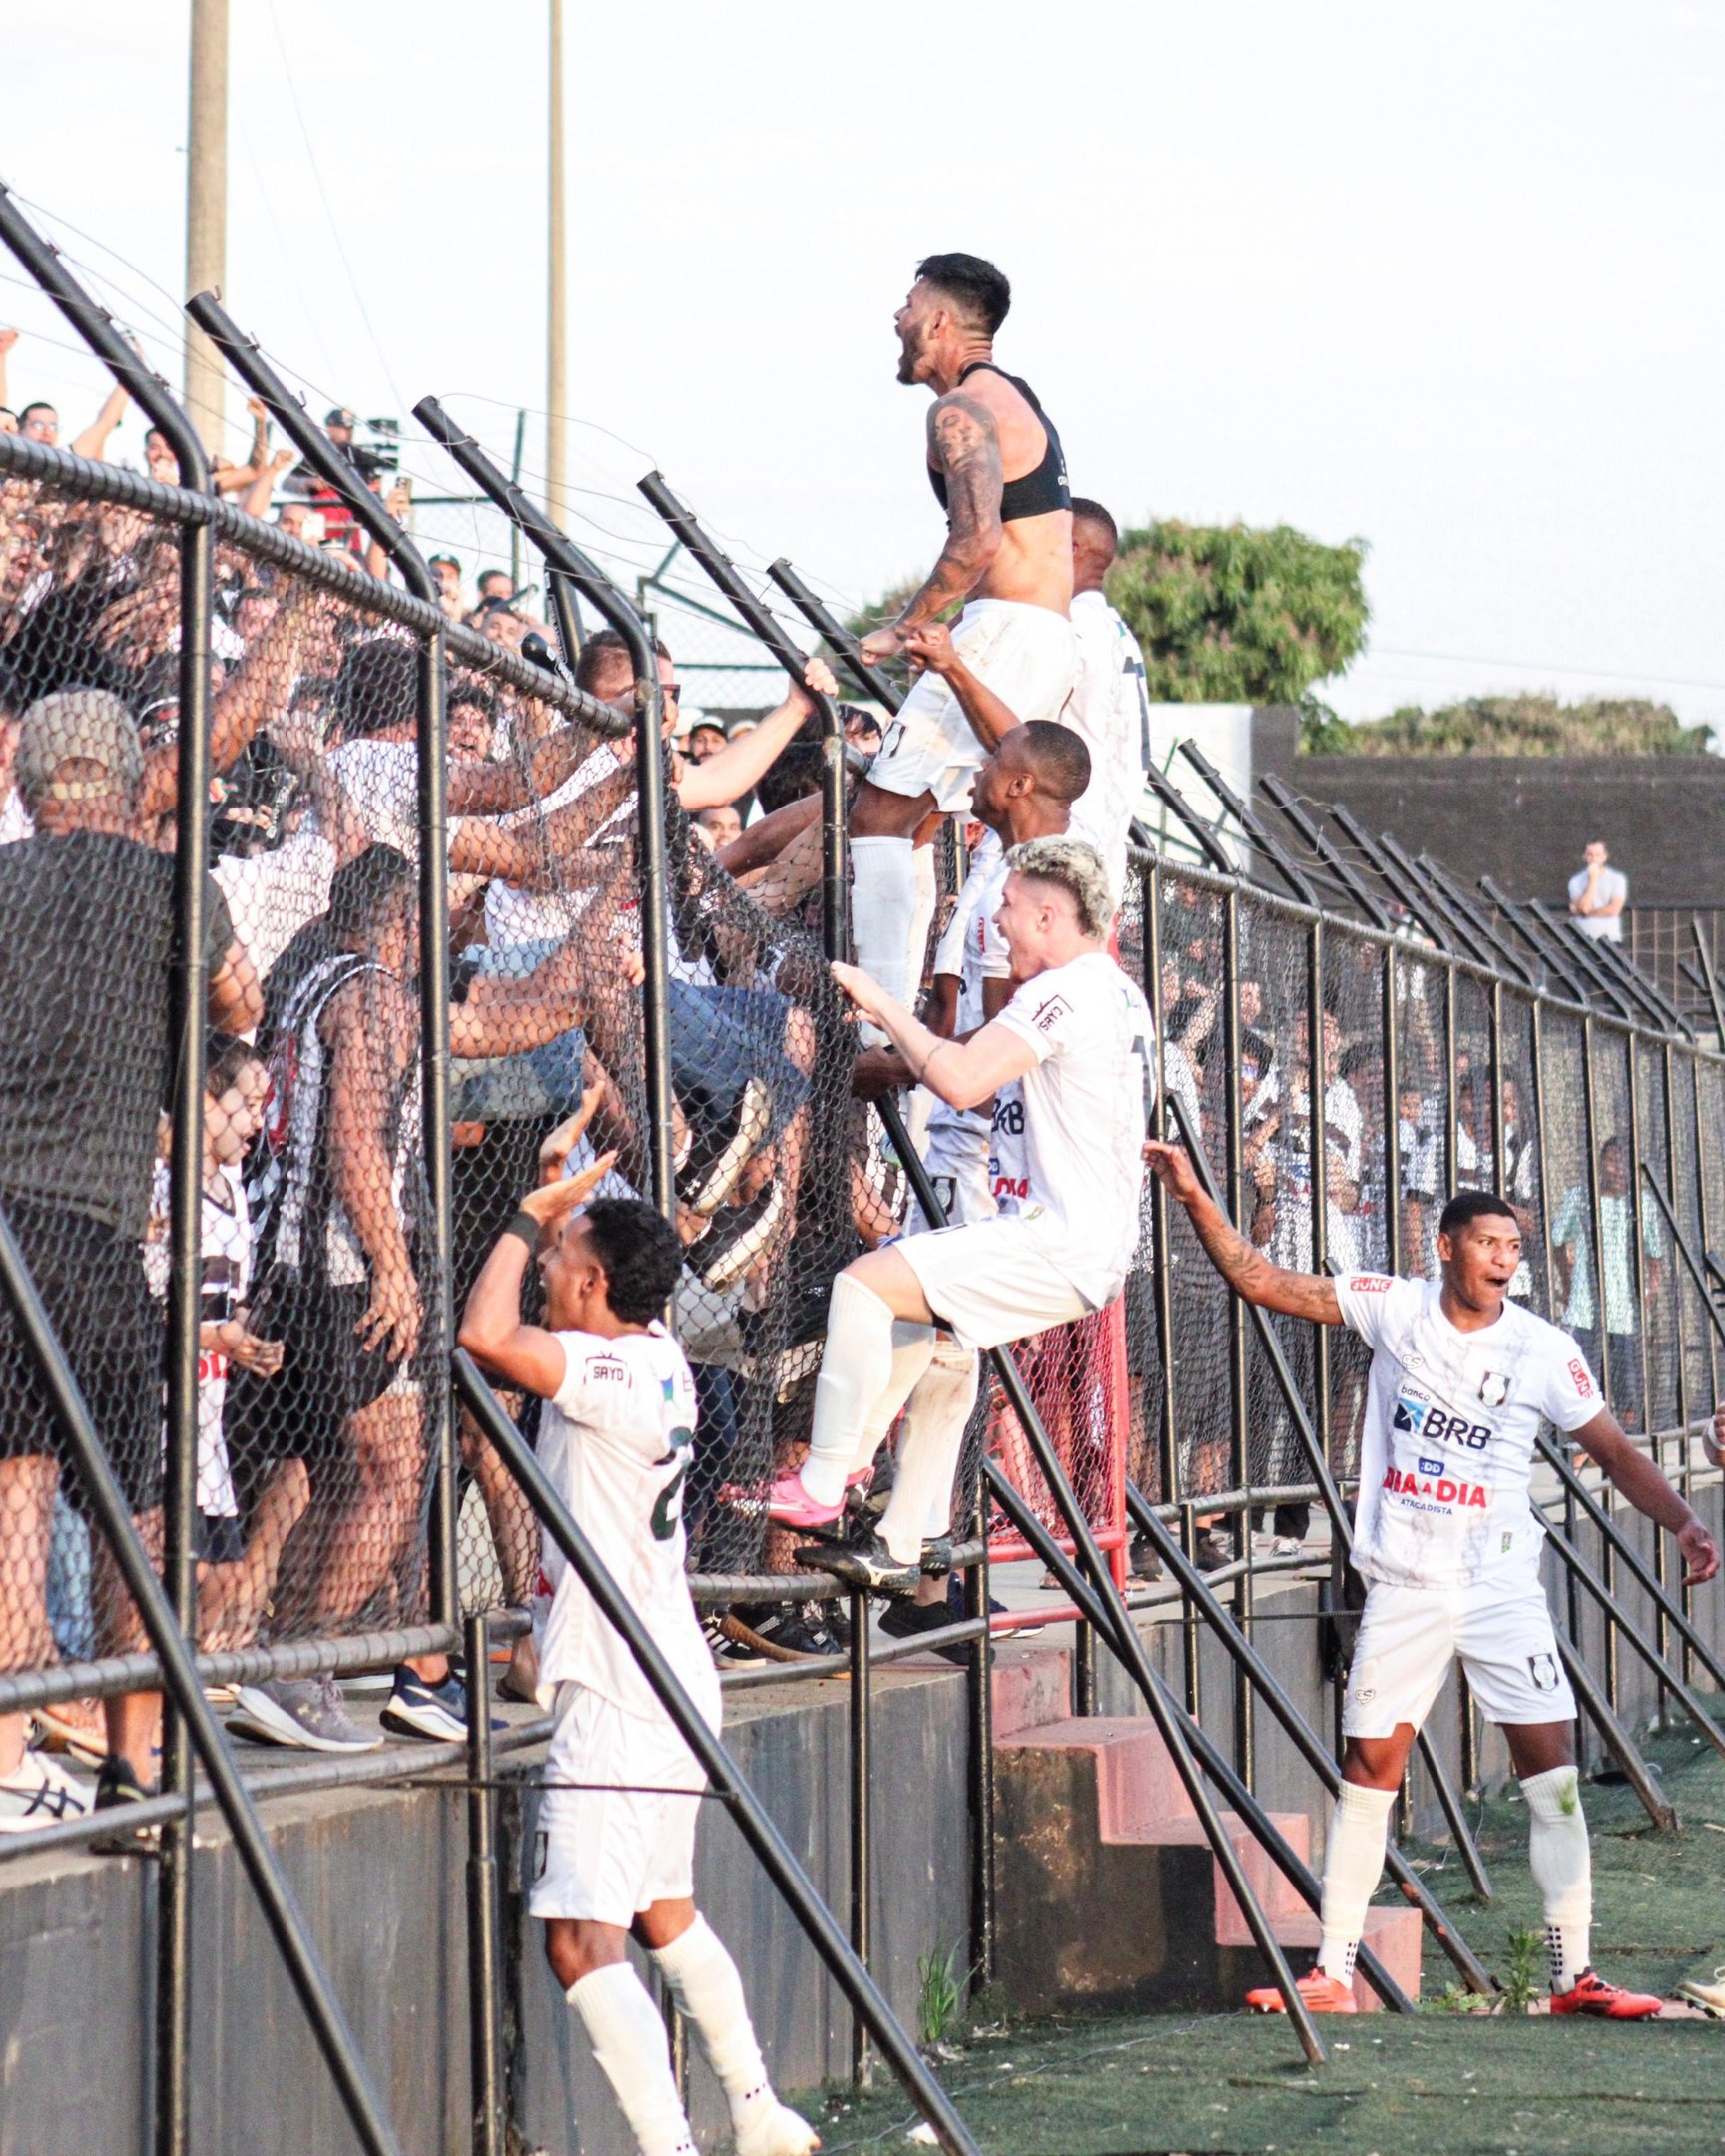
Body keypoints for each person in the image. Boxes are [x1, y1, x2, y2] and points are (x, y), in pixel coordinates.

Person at [1144, 1147, 1719, 2017]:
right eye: (1487, 1242)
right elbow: (1259, 1279)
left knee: (1552, 1774)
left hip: (1500, 1588)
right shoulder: (1394, 1307)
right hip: (1405, 1582)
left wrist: (1683, 1520)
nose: (1502, 1259)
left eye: (1514, 1247)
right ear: (1445, 1247)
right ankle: (1332, 1971)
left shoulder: (1543, 1349)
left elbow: (1614, 1451)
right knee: (1369, 1769)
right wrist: (1192, 1193)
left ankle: (1573, 1978)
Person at [457, 1176, 818, 2156]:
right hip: (667, 1674)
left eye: (562, 1255)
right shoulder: (657, 1354)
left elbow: (483, 1337)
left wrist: (525, 1209)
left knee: (579, 1943)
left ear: (594, 1283)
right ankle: (757, 2112)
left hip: (621, 1690)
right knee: (666, 1915)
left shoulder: (608, 1373)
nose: (545, 1263)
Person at [0, 689, 262, 1823]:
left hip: (4, 1224)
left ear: (30, 785)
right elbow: (241, 1000)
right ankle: (134, 1759)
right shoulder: (169, 886)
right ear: (123, 779)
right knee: (136, 1509)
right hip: (97, 1231)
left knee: (13, 1500)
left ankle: (8, 1762)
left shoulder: (4, 882)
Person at [770, 837, 1152, 1590]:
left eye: (1007, 910)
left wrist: (879, 1002)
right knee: (933, 1335)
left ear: (1049, 914)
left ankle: (824, 1480)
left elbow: (963, 1081)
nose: (999, 926)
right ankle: (898, 1541)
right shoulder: (1116, 989)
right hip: (1087, 1244)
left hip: (1060, 1242)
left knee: (863, 1286)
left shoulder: (1063, 989)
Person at [847, 255, 1076, 1016]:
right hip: (1040, 635)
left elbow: (976, 540)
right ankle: (904, 1010)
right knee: (913, 829)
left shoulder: (960, 412)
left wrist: (905, 626)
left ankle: (876, 1026)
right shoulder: (1014, 399)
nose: (898, 319)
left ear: (941, 322)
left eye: (909, 304)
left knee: (878, 814)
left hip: (1005, 630)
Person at [1060, 498, 1150, 903]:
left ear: (1072, 546)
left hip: (1068, 836)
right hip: (1101, 837)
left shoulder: (1074, 625)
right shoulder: (1116, 629)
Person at [1550, 1137, 1663, 1429]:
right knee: (1582, 1379)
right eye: (1611, 1159)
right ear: (1600, 1162)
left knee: (1627, 1384)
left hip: (1624, 1310)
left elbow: (1655, 1250)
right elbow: (1558, 1239)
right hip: (1586, 1308)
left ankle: (1626, 1435)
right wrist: (1567, 1277)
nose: (1616, 1168)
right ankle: (1581, 1441)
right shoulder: (1580, 1197)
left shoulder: (1641, 1202)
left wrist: (1653, 1283)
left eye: (1622, 1161)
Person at [1568, 840, 1627, 942]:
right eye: (1590, 855)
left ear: (1605, 857)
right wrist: (1592, 881)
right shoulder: (1576, 881)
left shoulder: (1617, 879)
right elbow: (1584, 907)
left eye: (1598, 855)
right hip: (1583, 938)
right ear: (1585, 857)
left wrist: (1585, 913)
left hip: (1610, 938)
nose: (1594, 859)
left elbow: (1614, 910)